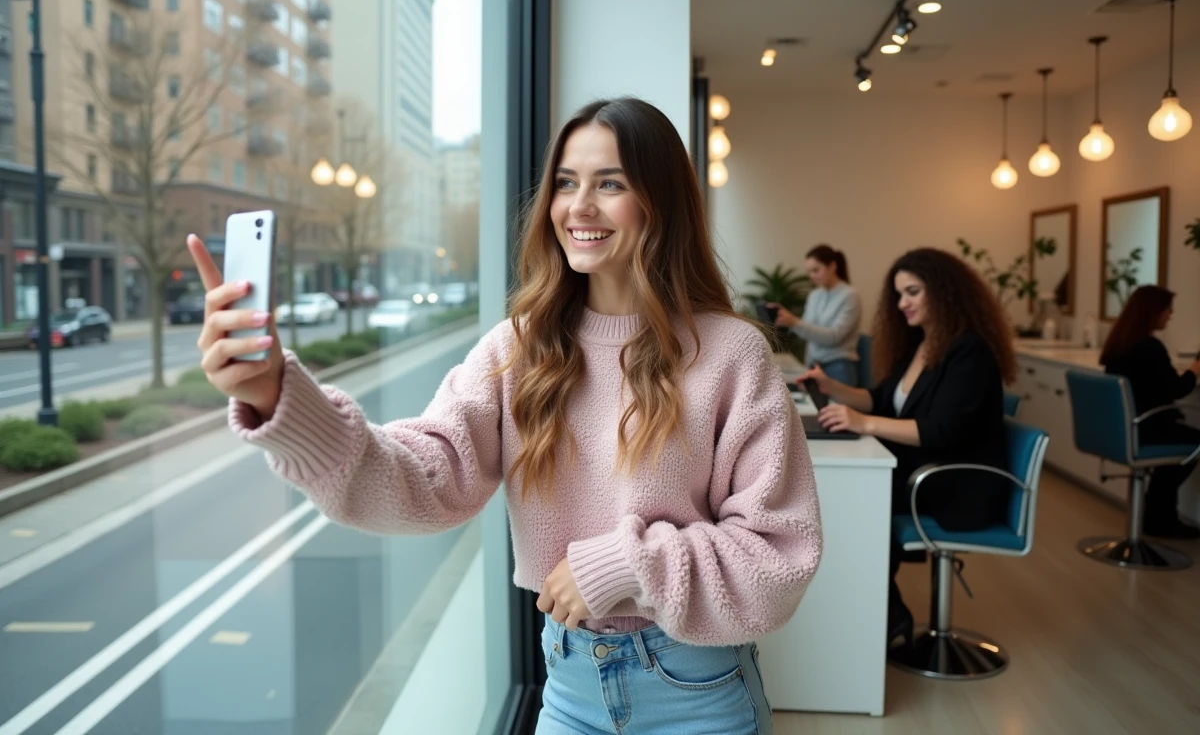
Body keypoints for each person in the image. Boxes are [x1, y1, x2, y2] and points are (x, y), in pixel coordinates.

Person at [187, 97, 821, 735]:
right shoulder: (518, 348)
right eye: (566, 183)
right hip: (570, 689)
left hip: (695, 692)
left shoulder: (731, 355)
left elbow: (777, 559)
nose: (580, 206)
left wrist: (625, 567)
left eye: (611, 184)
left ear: (661, 203)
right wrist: (279, 397)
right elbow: (421, 477)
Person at [798, 247, 1014, 650]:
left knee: (851, 500)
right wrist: (833, 388)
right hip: (923, 472)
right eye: (899, 295)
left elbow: (943, 432)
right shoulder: (922, 345)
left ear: (945, 292)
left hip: (958, 485)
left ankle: (882, 611)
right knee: (846, 497)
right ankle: (878, 609)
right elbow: (882, 399)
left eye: (913, 292)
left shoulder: (969, 351)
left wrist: (862, 424)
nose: (902, 304)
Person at [1100, 285, 1200, 539]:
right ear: (1154, 311)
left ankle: (1155, 515)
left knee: (1183, 440)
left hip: (1121, 429)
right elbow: (1177, 389)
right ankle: (1160, 518)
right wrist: (1196, 368)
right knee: (1193, 443)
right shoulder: (1150, 347)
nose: (1171, 315)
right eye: (1168, 310)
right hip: (1146, 428)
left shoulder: (1119, 345)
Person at [767, 245, 862, 386]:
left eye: (816, 270)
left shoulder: (850, 296)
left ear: (832, 266)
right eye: (809, 271)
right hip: (813, 366)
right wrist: (788, 321)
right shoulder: (815, 295)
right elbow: (807, 331)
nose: (812, 276)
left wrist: (795, 322)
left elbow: (833, 337)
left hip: (839, 368)